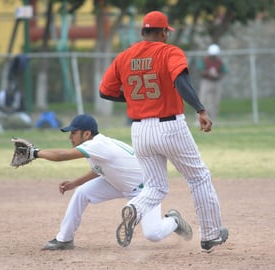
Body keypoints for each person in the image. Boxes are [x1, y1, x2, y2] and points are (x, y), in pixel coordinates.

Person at [99, 11, 228, 252]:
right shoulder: (169, 51)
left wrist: (135, 99)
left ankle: (134, 210)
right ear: (163, 32)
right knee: (198, 177)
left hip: (140, 130)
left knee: (155, 187)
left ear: (142, 32)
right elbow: (181, 82)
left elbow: (105, 92)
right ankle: (210, 235)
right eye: (166, 31)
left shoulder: (124, 56)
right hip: (170, 126)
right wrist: (200, 109)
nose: (167, 35)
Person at [26, 114, 192, 250]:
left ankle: (174, 220)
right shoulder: (97, 145)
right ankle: (64, 239)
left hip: (146, 189)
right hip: (118, 183)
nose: (70, 137)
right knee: (82, 193)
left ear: (87, 134)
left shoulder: (96, 145)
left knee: (153, 234)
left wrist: (35, 153)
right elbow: (100, 169)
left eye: (74, 133)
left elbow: (62, 155)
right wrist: (75, 183)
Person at [198, 44, 227, 120]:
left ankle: (213, 119)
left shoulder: (219, 61)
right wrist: (209, 73)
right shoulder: (205, 60)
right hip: (206, 81)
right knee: (203, 100)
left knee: (215, 102)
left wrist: (217, 75)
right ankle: (200, 118)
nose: (213, 57)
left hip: (216, 82)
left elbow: (223, 72)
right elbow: (201, 71)